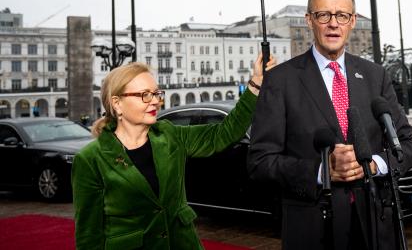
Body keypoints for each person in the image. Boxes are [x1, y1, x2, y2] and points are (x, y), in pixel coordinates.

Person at [248, 0, 412, 250]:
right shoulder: (280, 80)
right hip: (313, 228)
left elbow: (408, 148)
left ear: (352, 21)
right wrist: (321, 171)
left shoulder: (376, 76)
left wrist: (373, 164)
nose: (333, 24)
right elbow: (260, 162)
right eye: (323, 15)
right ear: (309, 20)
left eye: (341, 15)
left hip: (376, 225)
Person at [72, 53, 275, 250]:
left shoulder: (169, 135)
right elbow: (89, 236)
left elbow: (223, 134)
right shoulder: (90, 159)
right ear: (117, 103)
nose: (155, 101)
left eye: (156, 93)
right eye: (144, 95)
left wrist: (256, 83)